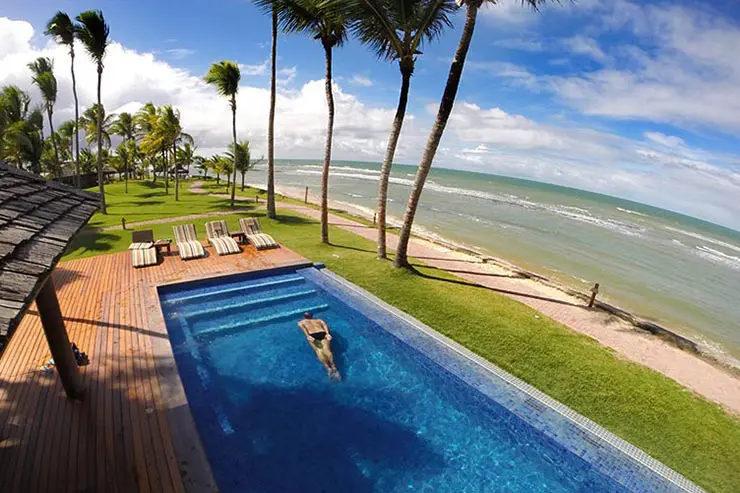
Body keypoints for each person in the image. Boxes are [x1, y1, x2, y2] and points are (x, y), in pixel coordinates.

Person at [298, 312, 340, 381]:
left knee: (319, 350)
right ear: (312, 315)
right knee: (327, 349)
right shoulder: (319, 320)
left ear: (304, 316)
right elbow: (325, 326)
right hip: (322, 333)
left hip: (312, 335)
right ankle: (333, 366)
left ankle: (328, 368)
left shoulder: (301, 322)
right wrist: (327, 334)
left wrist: (308, 336)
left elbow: (304, 330)